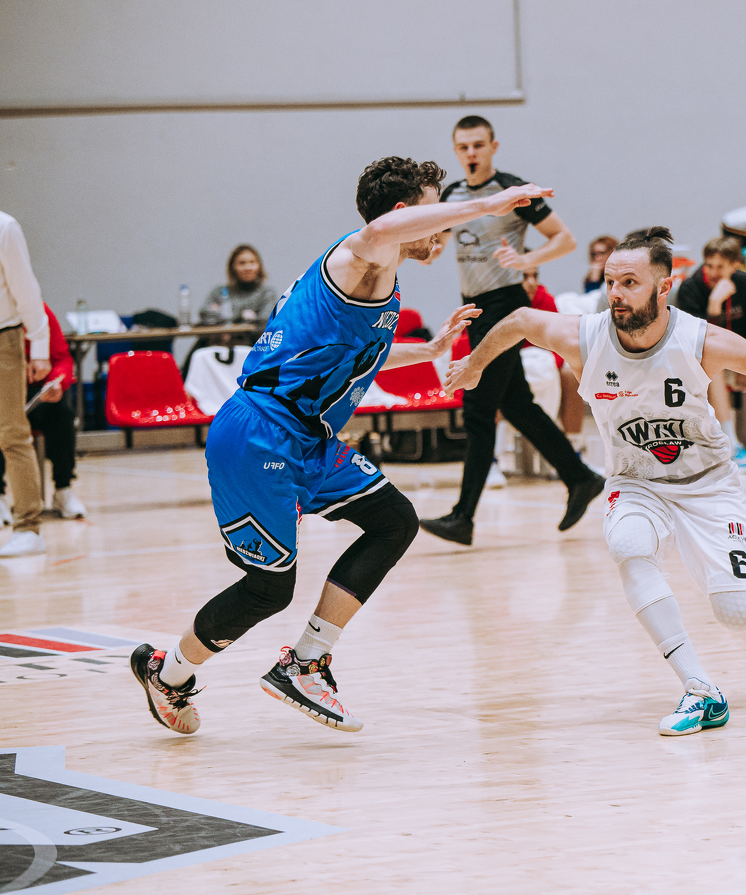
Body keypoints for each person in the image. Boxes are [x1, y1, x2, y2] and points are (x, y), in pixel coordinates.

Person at [442, 227, 746, 735]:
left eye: (630, 282)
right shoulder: (586, 337)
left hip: (708, 485)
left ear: (664, 287)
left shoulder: (700, 341)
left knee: (741, 614)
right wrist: (474, 365)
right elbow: (518, 320)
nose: (616, 293)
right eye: (611, 282)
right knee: (628, 546)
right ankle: (700, 689)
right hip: (636, 482)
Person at [126, 156, 536, 736]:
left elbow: (351, 356)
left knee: (395, 521)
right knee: (269, 589)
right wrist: (488, 204)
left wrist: (427, 351)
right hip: (259, 433)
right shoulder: (358, 253)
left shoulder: (375, 278)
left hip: (309, 438)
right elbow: (381, 230)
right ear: (403, 213)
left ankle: (306, 662)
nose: (444, 225)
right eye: (436, 210)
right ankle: (168, 675)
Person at [419, 115, 604, 546]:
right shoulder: (454, 193)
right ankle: (580, 477)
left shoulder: (511, 189)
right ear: (455, 150)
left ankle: (463, 517)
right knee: (517, 405)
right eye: (463, 146)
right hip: (476, 307)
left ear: (493, 147)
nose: (471, 153)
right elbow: (440, 240)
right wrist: (428, 250)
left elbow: (565, 239)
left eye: (478, 145)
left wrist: (527, 261)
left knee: (478, 409)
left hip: (505, 304)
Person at [674, 236, 746, 472]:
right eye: (709, 265)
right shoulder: (691, 288)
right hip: (699, 364)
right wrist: (714, 306)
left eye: (719, 267)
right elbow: (695, 340)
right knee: (713, 360)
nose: (712, 272)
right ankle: (730, 445)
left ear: (734, 266)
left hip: (739, 359)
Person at [0, 304, 85, 520]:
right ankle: (0, 496)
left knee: (62, 415)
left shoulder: (39, 311)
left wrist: (57, 382)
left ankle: (63, 489)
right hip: (4, 390)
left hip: (36, 391)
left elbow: (62, 358)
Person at [0, 210, 49, 558]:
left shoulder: (4, 227)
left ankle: (28, 526)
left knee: (12, 433)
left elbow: (26, 291)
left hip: (3, 338)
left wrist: (40, 346)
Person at [521, 265, 585, 450]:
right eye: (524, 276)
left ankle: (573, 446)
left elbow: (559, 345)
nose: (531, 282)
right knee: (491, 378)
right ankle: (493, 452)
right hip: (511, 365)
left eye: (535, 276)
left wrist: (549, 365)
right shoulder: (500, 304)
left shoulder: (546, 301)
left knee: (571, 375)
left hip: (544, 363)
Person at [199, 245, 280, 325]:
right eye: (242, 263)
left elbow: (264, 321)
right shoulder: (220, 292)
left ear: (259, 266)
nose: (248, 268)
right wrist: (241, 316)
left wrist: (222, 313)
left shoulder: (267, 293)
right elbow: (204, 314)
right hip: (222, 334)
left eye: (252, 262)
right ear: (233, 267)